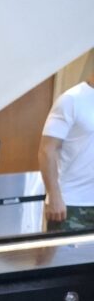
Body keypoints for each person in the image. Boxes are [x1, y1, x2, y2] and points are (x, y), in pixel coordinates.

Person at [38, 73, 94, 233]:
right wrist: (53, 195)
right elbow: (47, 150)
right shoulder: (71, 99)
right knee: (61, 250)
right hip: (71, 204)